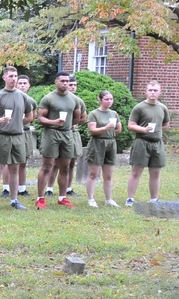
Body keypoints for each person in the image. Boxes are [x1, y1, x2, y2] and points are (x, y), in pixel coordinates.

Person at [0, 66, 33, 211]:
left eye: (15, 76)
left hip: (18, 137)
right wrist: (2, 120)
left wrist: (17, 122)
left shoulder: (23, 96)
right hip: (2, 137)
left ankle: (14, 200)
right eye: (11, 76)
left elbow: (30, 116)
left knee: (15, 169)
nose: (14, 79)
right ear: (4, 78)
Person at [35, 72, 82, 209]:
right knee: (47, 166)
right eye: (62, 81)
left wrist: (67, 125)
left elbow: (77, 118)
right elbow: (41, 118)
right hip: (51, 133)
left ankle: (62, 197)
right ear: (56, 82)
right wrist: (53, 122)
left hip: (67, 134)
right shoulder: (48, 98)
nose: (65, 83)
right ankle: (41, 198)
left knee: (65, 167)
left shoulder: (74, 99)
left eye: (67, 81)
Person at [126, 80, 170, 207]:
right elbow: (131, 125)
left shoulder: (163, 108)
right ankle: (130, 199)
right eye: (150, 90)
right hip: (142, 142)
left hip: (157, 143)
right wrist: (144, 129)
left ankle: (154, 199)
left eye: (155, 90)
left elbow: (166, 125)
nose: (152, 93)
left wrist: (157, 130)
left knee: (156, 172)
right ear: (146, 92)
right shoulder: (139, 107)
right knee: (136, 171)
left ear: (159, 92)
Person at [47, 76, 86, 196]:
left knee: (71, 162)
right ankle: (49, 187)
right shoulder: (54, 98)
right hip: (57, 132)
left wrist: (71, 122)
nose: (72, 87)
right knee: (55, 163)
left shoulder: (78, 101)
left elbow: (84, 118)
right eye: (71, 84)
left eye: (74, 85)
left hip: (73, 133)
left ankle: (68, 188)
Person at [86, 90, 122, 207]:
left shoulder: (114, 113)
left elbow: (118, 130)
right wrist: (106, 128)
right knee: (93, 173)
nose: (109, 101)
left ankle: (109, 199)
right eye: (106, 99)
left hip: (111, 143)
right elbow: (92, 130)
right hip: (97, 143)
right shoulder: (94, 114)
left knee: (108, 175)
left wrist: (115, 129)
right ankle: (91, 199)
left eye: (111, 99)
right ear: (100, 100)